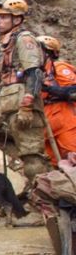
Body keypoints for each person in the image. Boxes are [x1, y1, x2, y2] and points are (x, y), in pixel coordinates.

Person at [0, 0, 49, 183]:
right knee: (25, 157)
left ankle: (46, 201)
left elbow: (34, 72)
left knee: (32, 157)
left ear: (17, 19)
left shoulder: (24, 39)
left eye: (4, 17)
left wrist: (28, 104)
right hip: (9, 106)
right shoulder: (3, 45)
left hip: (23, 105)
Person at [37, 35, 76, 165]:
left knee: (73, 158)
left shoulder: (59, 68)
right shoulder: (36, 73)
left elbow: (73, 90)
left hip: (65, 120)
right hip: (47, 123)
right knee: (56, 165)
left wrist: (52, 90)